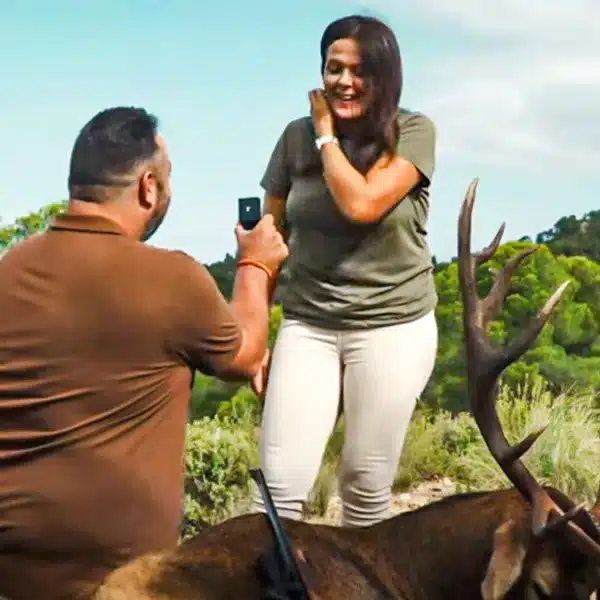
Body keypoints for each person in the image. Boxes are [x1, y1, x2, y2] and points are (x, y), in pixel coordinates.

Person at [0, 106, 287, 600]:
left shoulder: (10, 270)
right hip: (123, 582)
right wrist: (255, 266)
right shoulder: (171, 278)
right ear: (148, 186)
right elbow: (245, 355)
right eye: (168, 178)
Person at [252, 14, 438, 528]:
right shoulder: (293, 138)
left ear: (385, 78)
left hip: (392, 326)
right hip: (309, 323)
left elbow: (361, 204)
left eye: (360, 71)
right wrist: (254, 334)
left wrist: (326, 137)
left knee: (363, 484)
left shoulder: (413, 132)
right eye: (334, 68)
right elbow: (270, 238)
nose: (344, 82)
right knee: (278, 487)